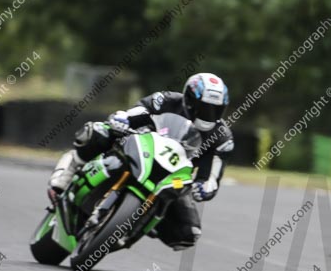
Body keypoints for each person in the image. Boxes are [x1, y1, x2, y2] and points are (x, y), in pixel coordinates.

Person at [48, 73, 234, 250]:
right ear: (190, 99)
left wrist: (203, 188)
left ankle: (139, 223)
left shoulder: (222, 138)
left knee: (187, 233)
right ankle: (70, 168)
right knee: (98, 131)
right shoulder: (166, 100)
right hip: (140, 146)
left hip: (174, 177)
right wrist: (123, 120)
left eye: (215, 110)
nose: (208, 114)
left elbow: (212, 177)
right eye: (204, 107)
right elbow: (136, 112)